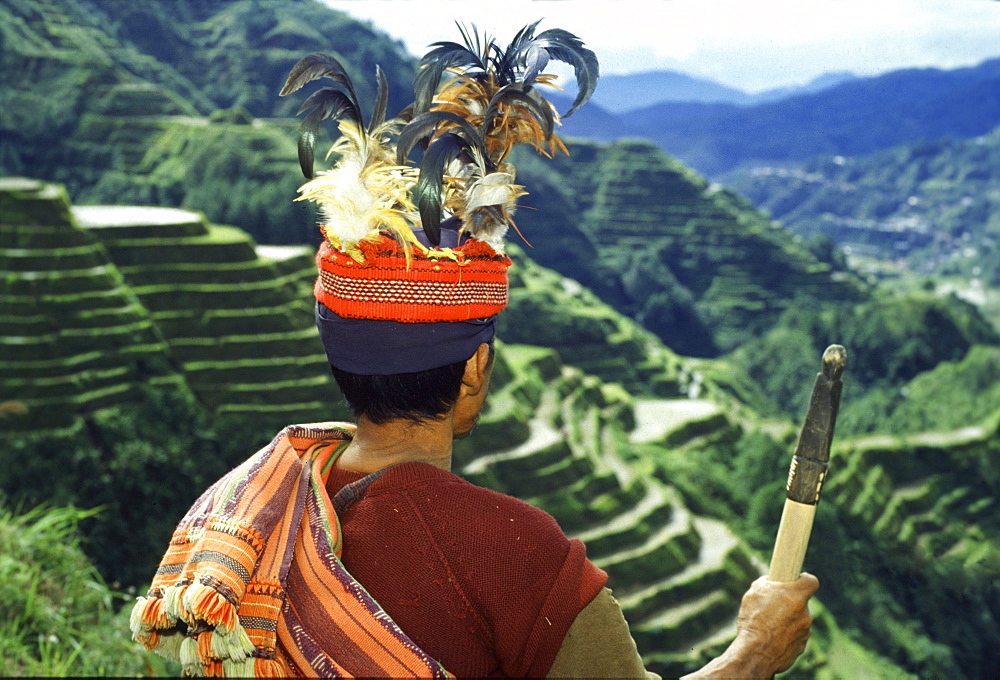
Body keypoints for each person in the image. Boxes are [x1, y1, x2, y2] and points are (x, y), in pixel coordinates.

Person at [130, 22, 818, 678]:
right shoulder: (513, 553)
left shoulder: (254, 513)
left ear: (342, 362)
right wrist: (753, 653)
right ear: (474, 372)